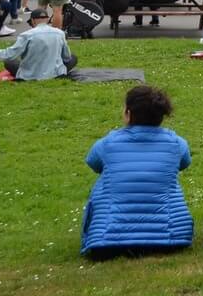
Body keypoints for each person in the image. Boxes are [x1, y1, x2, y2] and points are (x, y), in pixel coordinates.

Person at [80, 85, 193, 260]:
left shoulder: (107, 144)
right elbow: (184, 163)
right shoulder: (177, 144)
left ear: (128, 113)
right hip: (169, 239)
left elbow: (93, 164)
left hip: (108, 242)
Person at [0, 7, 76, 80]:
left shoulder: (26, 35)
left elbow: (8, 55)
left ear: (33, 20)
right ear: (47, 19)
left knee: (9, 62)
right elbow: (67, 58)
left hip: (30, 74)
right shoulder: (59, 33)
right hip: (55, 73)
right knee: (73, 58)